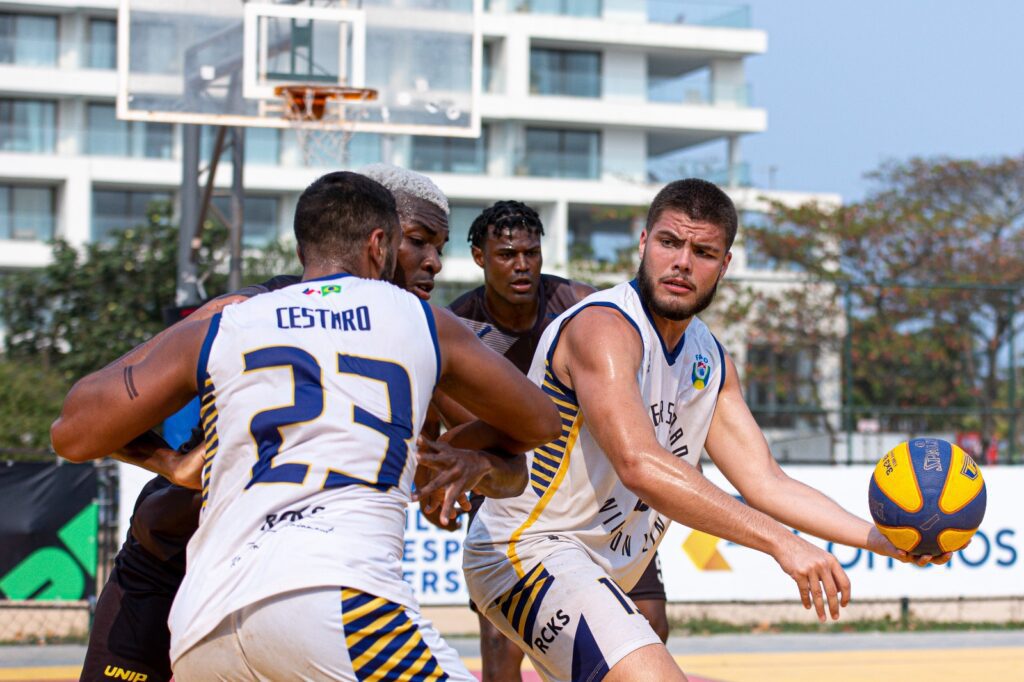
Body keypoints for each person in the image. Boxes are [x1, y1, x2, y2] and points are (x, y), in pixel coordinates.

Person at [55, 171, 561, 680]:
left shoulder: (405, 336)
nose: (433, 261)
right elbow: (540, 424)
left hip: (214, 607)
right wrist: (172, 463)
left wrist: (467, 464)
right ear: (376, 239)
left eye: (440, 246)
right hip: (178, 565)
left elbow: (513, 468)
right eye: (418, 242)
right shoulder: (255, 312)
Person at [462, 179, 950, 682]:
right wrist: (784, 543)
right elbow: (640, 465)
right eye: (670, 243)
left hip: (595, 569)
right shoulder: (604, 329)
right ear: (645, 243)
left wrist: (883, 540)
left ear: (724, 265)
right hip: (528, 551)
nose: (682, 263)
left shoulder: (710, 358)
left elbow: (765, 482)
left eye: (703, 251)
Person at [434, 200, 669, 680]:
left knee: (650, 622)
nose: (521, 265)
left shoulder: (580, 302)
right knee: (502, 643)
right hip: (511, 477)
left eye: (531, 253)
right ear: (479, 257)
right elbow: (474, 434)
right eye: (506, 254)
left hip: (594, 484)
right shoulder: (461, 327)